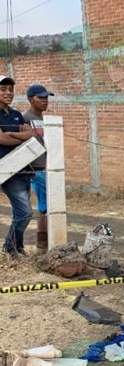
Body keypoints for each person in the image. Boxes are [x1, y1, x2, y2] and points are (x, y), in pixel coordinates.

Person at [0, 75, 36, 256]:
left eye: (10, 90)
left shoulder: (15, 114)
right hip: (6, 171)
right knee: (25, 213)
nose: (8, 93)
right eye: (3, 89)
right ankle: (9, 247)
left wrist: (11, 135)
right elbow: (1, 139)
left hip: (23, 169)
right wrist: (17, 136)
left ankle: (17, 247)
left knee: (19, 213)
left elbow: (31, 133)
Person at [23, 84, 53, 250]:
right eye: (40, 98)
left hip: (48, 166)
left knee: (48, 205)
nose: (44, 101)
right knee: (45, 206)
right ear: (30, 99)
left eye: (46, 97)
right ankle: (42, 243)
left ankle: (45, 241)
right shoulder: (25, 118)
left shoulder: (46, 120)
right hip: (36, 169)